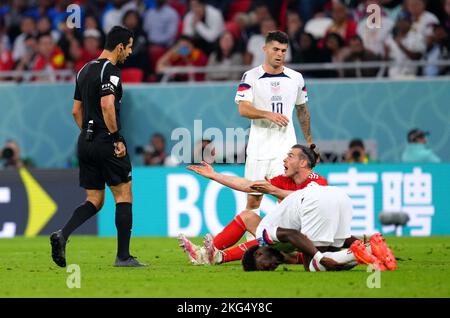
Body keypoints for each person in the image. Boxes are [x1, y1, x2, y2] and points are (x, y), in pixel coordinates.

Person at [50, 26, 147, 268]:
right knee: (124, 194)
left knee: (94, 199)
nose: (130, 52)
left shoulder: (83, 70)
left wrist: (88, 134)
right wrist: (115, 138)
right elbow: (107, 105)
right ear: (120, 46)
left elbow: (75, 110)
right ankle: (123, 257)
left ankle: (63, 234)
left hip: (85, 141)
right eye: (130, 46)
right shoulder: (111, 70)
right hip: (106, 140)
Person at [180, 144, 327, 265]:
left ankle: (218, 257)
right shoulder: (283, 180)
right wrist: (215, 175)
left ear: (303, 162)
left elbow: (306, 198)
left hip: (308, 239)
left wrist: (274, 190)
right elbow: (248, 185)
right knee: (247, 217)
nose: (284, 160)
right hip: (288, 236)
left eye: (290, 156)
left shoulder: (317, 181)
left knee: (270, 236)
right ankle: (205, 254)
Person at [236, 30, 313, 241]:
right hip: (258, 150)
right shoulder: (250, 76)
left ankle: (289, 246)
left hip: (285, 152)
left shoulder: (296, 78)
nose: (280, 54)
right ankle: (253, 248)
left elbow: (302, 111)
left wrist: (309, 141)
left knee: (286, 201)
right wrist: (266, 113)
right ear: (265, 49)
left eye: (283, 51)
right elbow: (243, 109)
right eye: (276, 49)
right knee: (253, 202)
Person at [242, 184, 397, 272]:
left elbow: (292, 234)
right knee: (333, 261)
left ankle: (365, 251)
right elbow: (341, 238)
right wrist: (361, 244)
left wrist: (319, 257)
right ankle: (372, 249)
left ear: (258, 253)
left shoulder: (262, 235)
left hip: (314, 201)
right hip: (339, 196)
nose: (271, 268)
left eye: (264, 266)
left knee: (313, 266)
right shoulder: (279, 246)